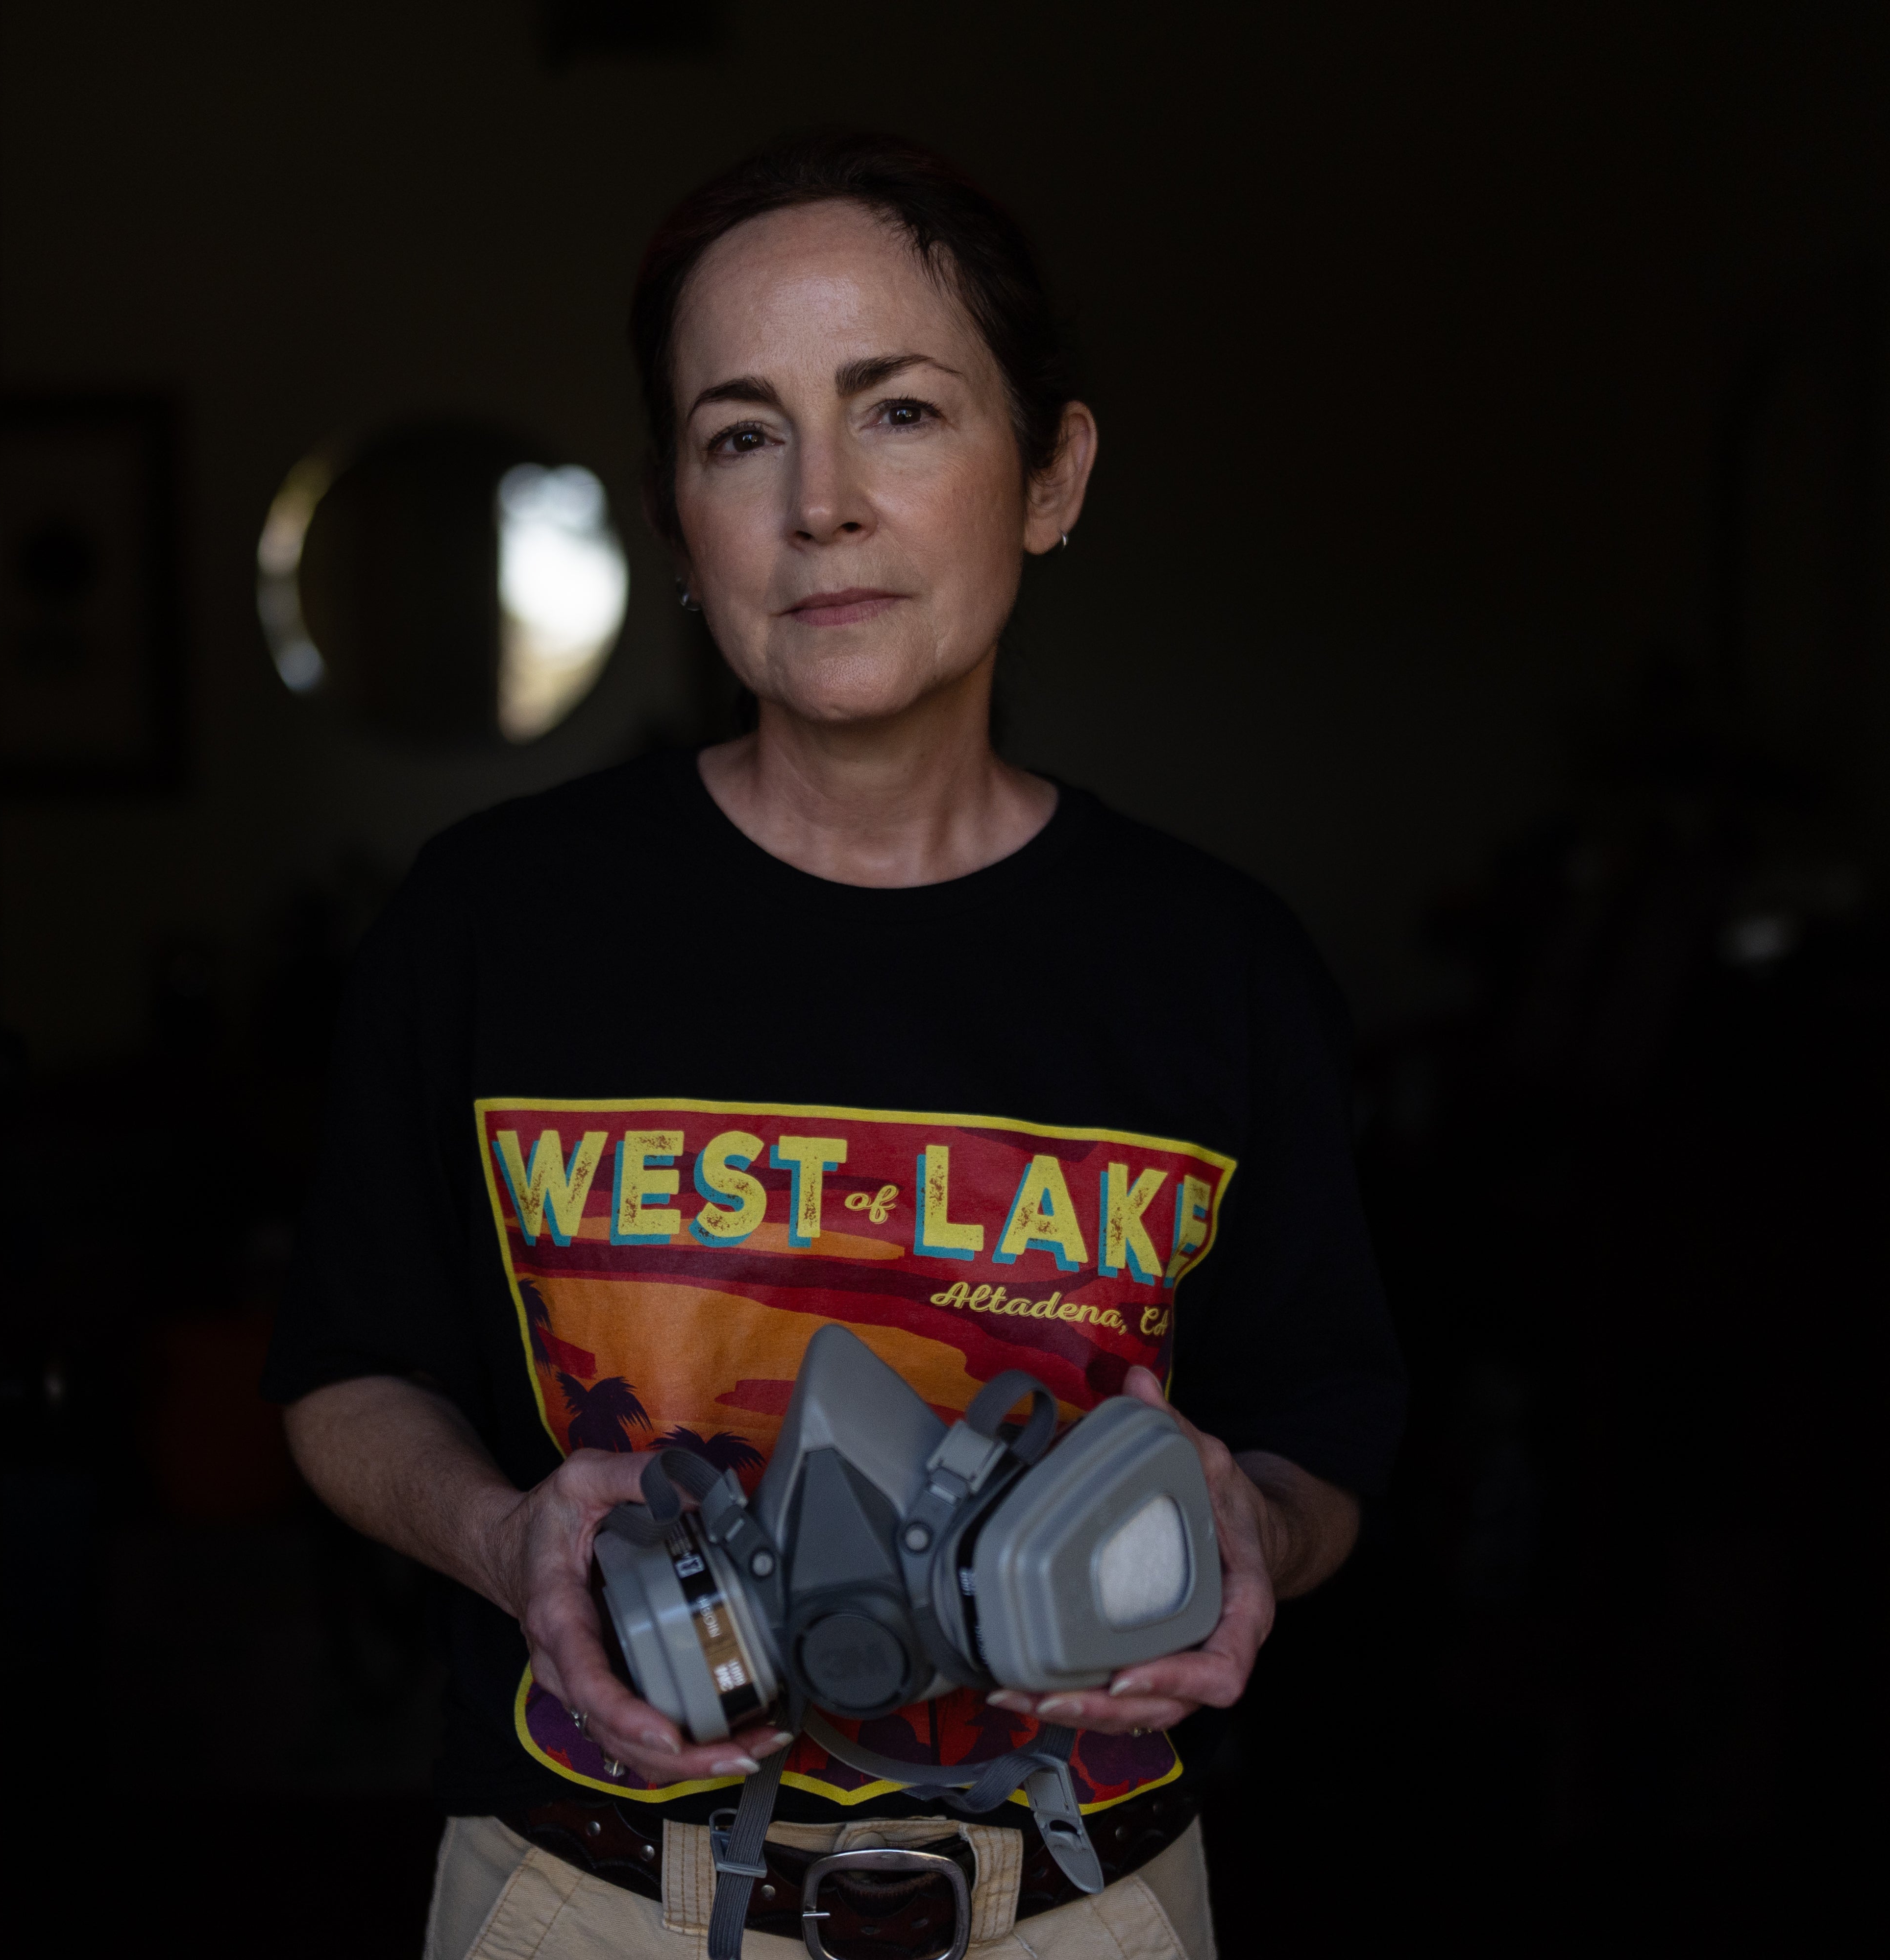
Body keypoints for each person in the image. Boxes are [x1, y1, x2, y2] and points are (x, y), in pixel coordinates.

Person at [267, 131, 1405, 1960]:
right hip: (591, 1904)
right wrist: (503, 1541)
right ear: (679, 517)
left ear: (1052, 475)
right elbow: (343, 1372)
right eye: (742, 434)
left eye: (899, 414)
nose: (821, 505)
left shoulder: (1215, 967)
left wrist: (1257, 1524)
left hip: (1083, 1916)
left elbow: (1319, 1428)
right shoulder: (494, 926)